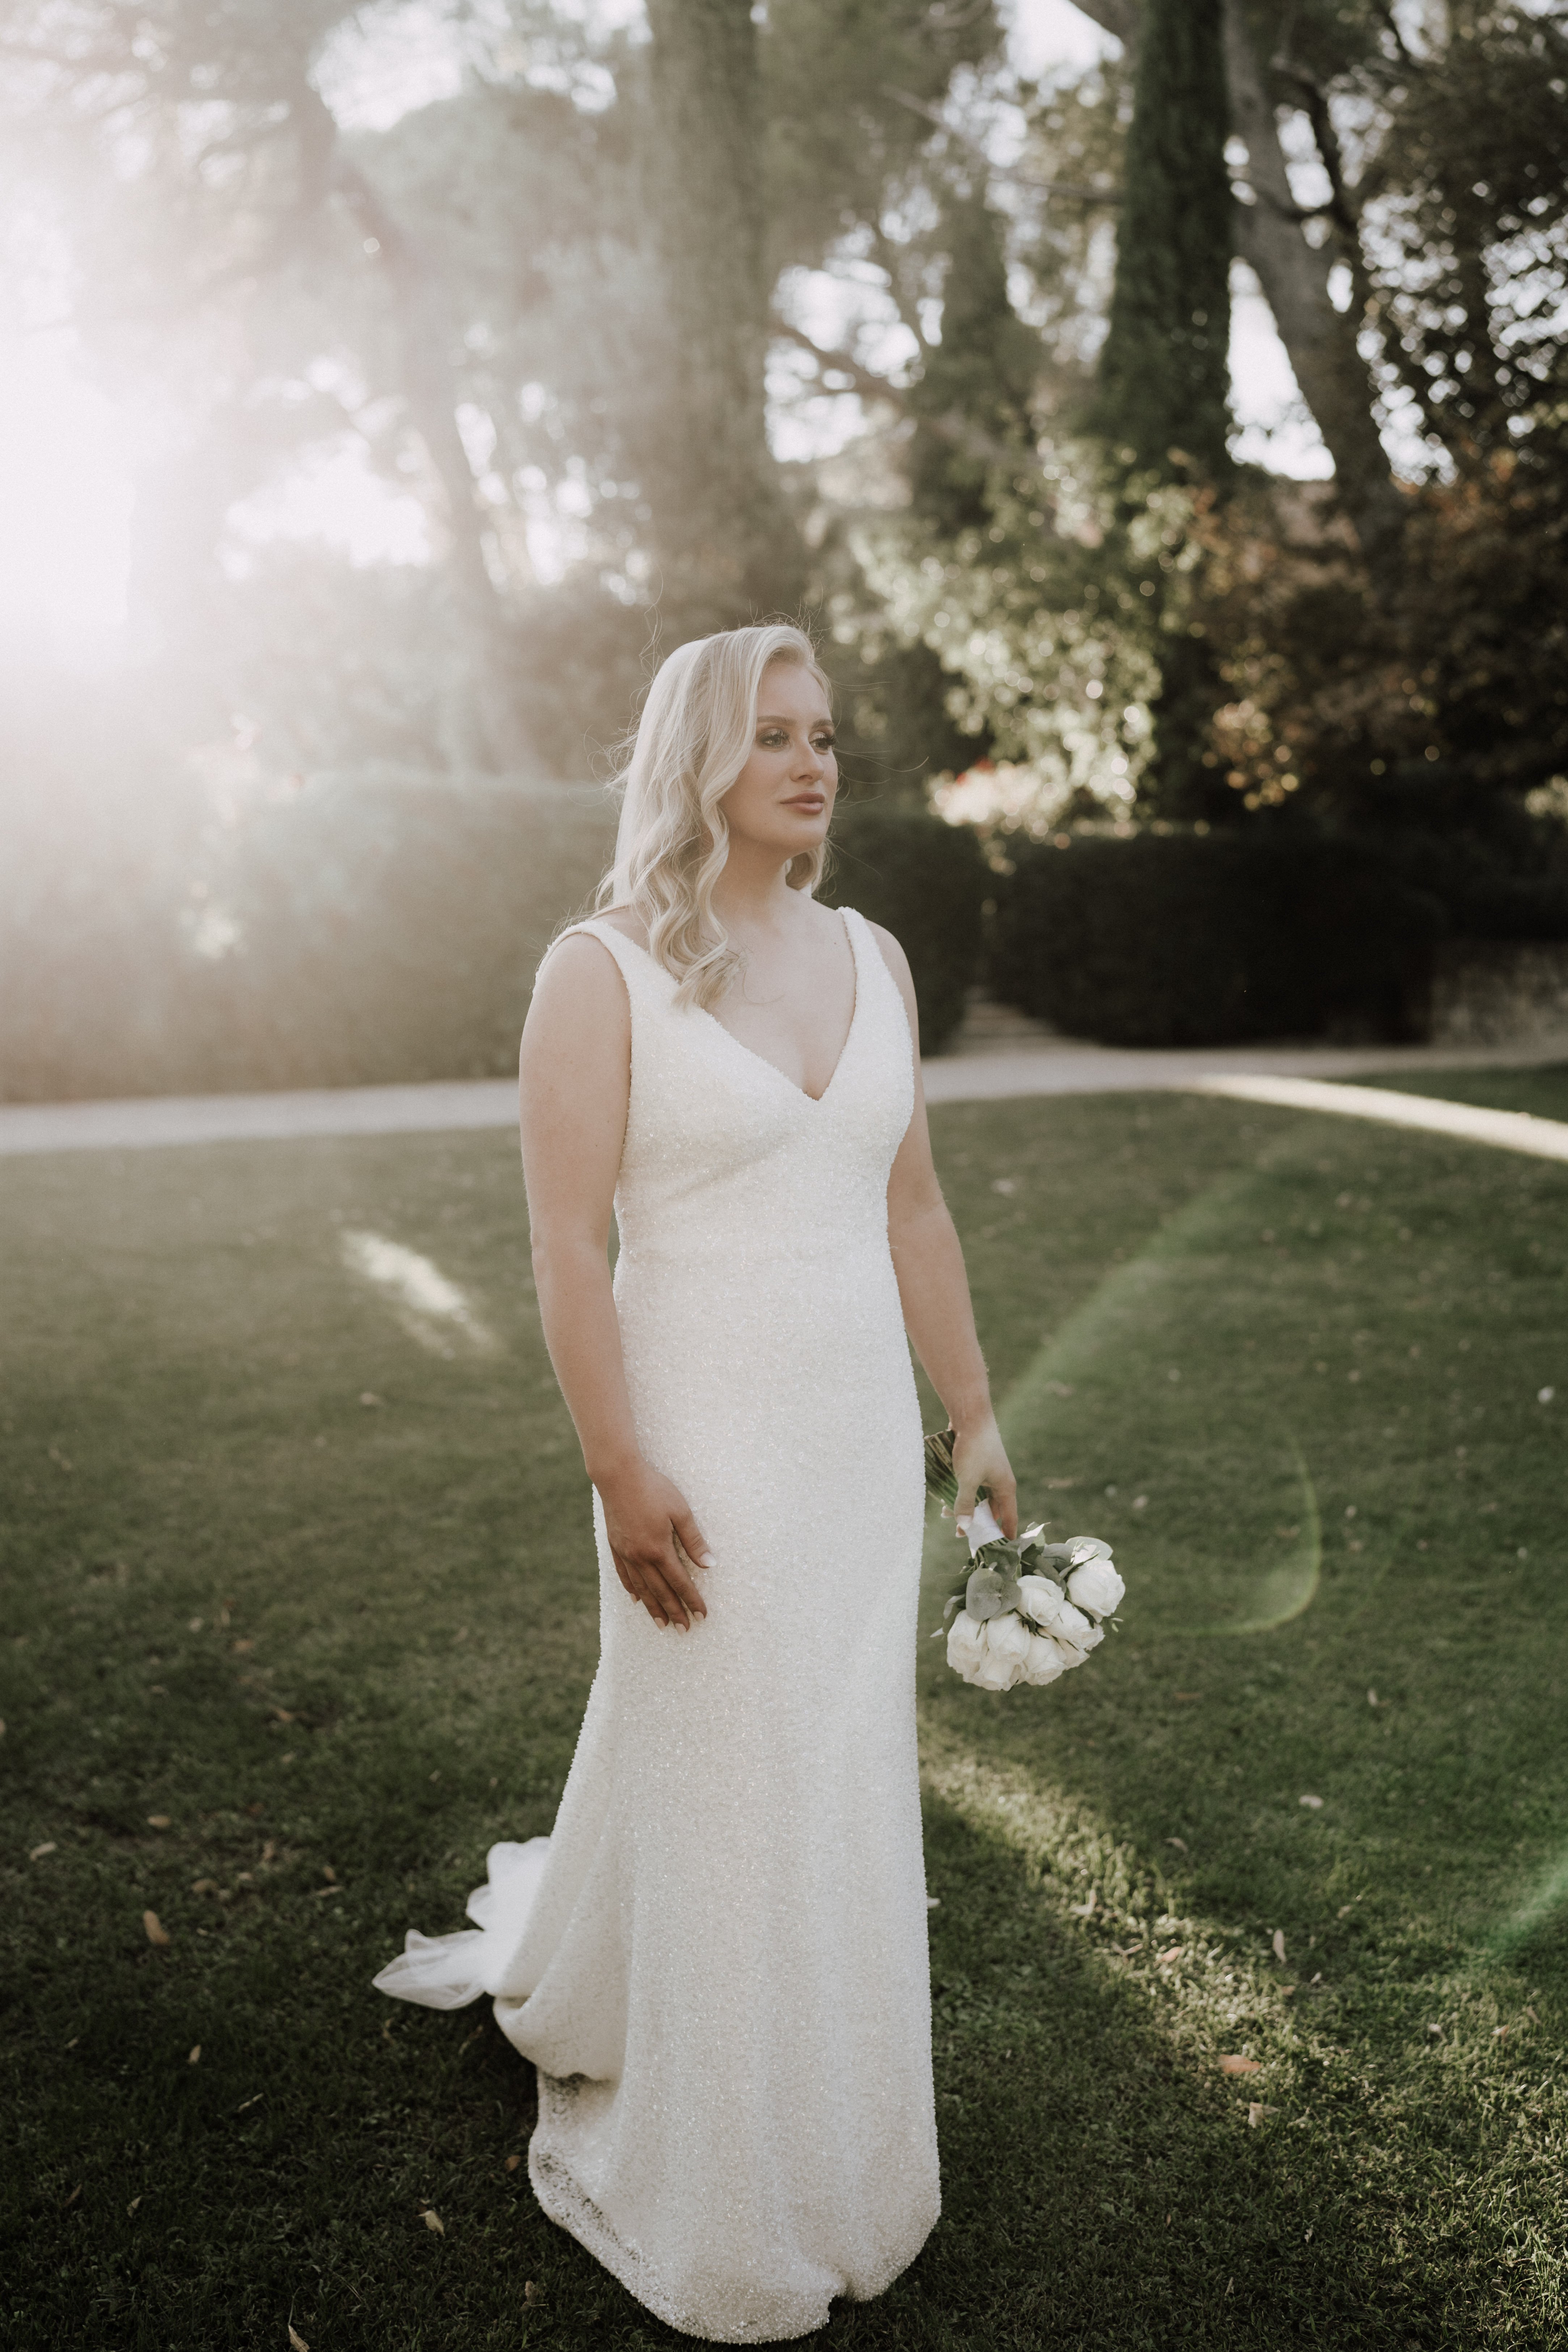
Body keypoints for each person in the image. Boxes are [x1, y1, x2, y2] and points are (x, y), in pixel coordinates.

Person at [373, 622, 1016, 2342]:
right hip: (699, 1446)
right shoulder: (601, 969)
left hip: (855, 1454)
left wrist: (970, 1416)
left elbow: (911, 1208)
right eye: (771, 736)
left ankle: (848, 2143)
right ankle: (725, 2195)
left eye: (824, 736)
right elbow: (563, 1244)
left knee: (836, 1784)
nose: (812, 763)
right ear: (696, 759)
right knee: (733, 1778)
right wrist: (616, 1465)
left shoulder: (871, 955)